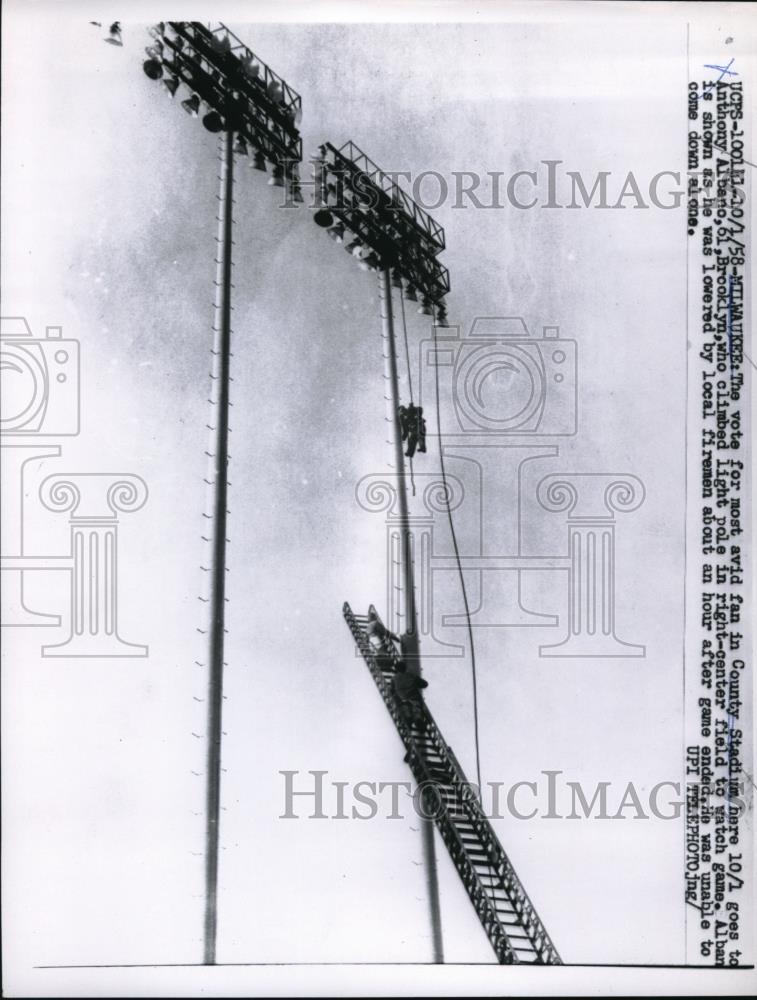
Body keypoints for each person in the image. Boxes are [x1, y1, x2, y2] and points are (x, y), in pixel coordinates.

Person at [392, 660, 428, 727]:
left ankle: (407, 719)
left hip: (402, 699)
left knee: (405, 708)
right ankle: (418, 720)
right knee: (417, 708)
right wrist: (416, 684)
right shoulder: (411, 675)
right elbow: (425, 684)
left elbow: (392, 690)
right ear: (405, 668)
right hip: (414, 697)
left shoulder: (394, 679)